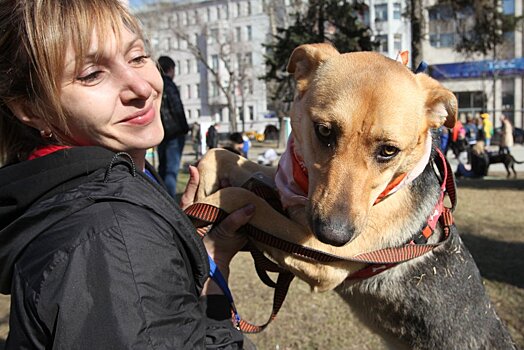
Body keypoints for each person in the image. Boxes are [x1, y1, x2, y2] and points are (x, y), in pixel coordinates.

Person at [0, 1, 254, 348]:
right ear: (31, 109)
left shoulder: (99, 189)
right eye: (91, 74)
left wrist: (202, 254)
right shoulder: (110, 235)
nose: (142, 87)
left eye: (137, 57)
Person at [157, 56, 189, 197]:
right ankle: (169, 200)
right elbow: (177, 108)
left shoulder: (156, 85)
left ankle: (160, 198)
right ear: (170, 69)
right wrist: (184, 128)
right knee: (171, 169)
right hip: (174, 134)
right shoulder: (169, 85)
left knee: (162, 168)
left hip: (161, 133)